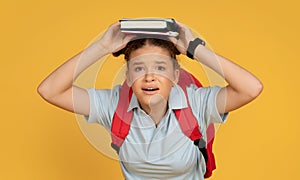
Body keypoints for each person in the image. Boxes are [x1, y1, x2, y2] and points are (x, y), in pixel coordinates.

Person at [37, 20, 263, 179]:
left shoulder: (196, 103)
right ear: (128, 76)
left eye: (160, 67)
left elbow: (251, 88)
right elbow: (50, 91)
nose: (149, 76)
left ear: (176, 75)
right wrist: (102, 47)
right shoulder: (114, 105)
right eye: (138, 68)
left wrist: (195, 48)